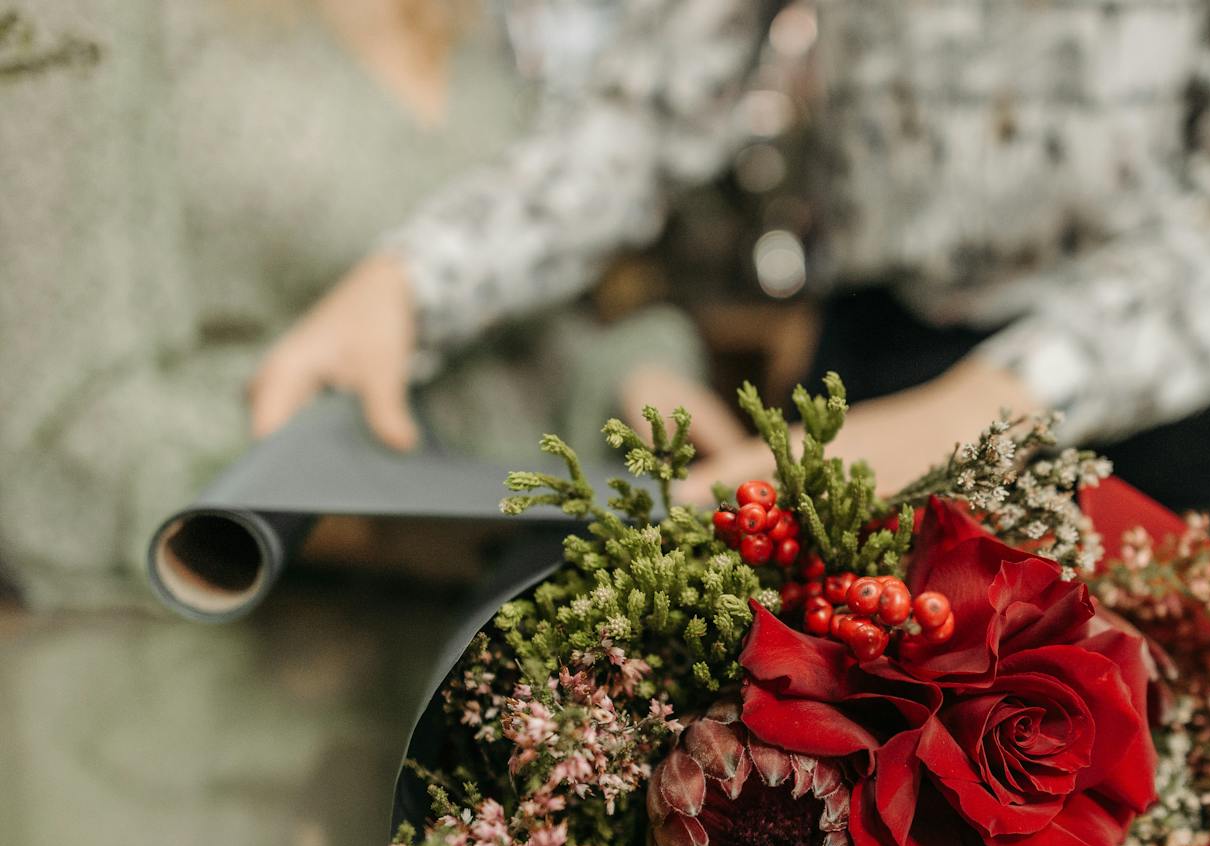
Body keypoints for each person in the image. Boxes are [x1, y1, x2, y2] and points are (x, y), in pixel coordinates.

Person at [254, 0, 1210, 507]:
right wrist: (417, 280)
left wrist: (990, 405)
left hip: (1143, 393)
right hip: (869, 372)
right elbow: (642, 112)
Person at [0, 0, 706, 607]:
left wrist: (616, 378)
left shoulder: (476, 21)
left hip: (521, 606)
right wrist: (348, 517)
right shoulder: (109, 18)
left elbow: (493, 311)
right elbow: (49, 428)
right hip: (252, 640)